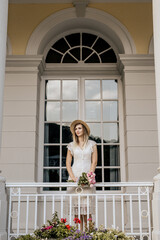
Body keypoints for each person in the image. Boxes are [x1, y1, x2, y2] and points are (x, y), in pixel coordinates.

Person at [66, 120, 97, 231]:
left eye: (79, 128)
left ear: (84, 129)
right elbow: (68, 164)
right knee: (77, 208)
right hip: (75, 177)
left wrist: (89, 176)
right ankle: (78, 233)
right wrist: (73, 177)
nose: (77, 130)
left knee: (87, 208)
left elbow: (94, 162)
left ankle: (88, 233)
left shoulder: (92, 144)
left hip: (88, 178)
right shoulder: (71, 146)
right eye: (75, 129)